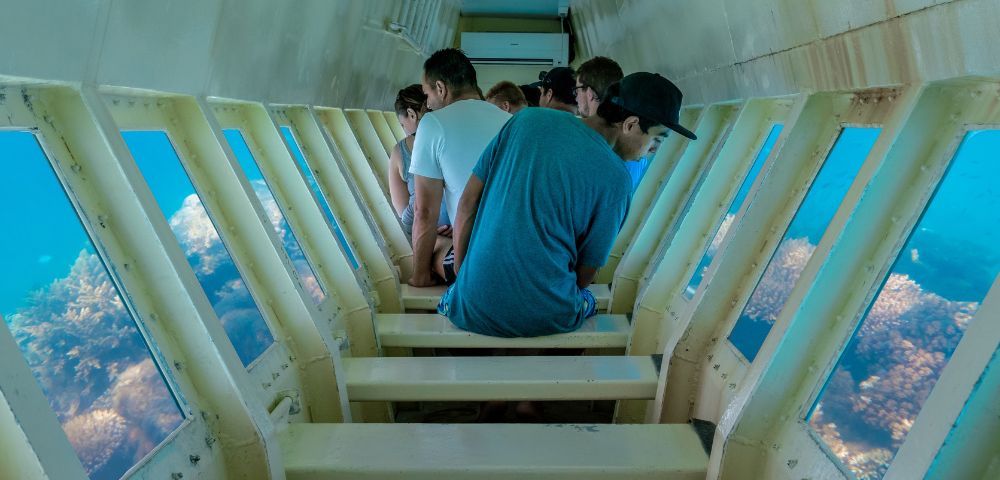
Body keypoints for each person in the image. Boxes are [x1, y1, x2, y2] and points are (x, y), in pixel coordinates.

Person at [439, 72, 697, 338]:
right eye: (657, 139)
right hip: (548, 317)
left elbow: (467, 203)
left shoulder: (527, 119)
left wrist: (463, 274)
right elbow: (585, 273)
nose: (654, 150)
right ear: (630, 124)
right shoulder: (617, 180)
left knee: (457, 298)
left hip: (471, 305)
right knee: (587, 302)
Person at [408, 48, 511, 287]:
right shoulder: (510, 122)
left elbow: (424, 212)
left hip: (478, 266)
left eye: (427, 94)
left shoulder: (433, 124)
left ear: (441, 88)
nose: (429, 104)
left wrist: (419, 277)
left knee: (436, 243)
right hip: (518, 256)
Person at [387, 84, 452, 244]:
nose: (404, 130)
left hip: (428, 237)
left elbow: (404, 214)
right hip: (464, 227)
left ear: (411, 114)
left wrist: (428, 232)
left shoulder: (399, 152)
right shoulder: (452, 135)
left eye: (402, 124)